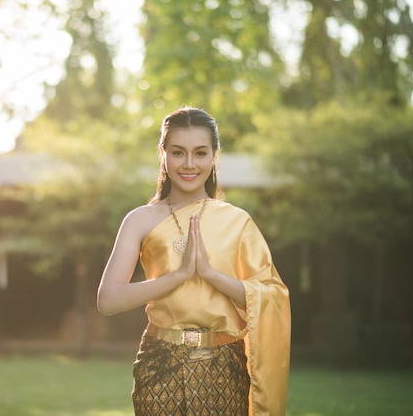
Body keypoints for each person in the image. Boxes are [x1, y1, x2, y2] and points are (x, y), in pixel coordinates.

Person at [97, 106, 291, 415]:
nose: (189, 164)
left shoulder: (237, 221)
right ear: (163, 154)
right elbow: (108, 300)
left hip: (225, 368)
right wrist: (177, 276)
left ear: (215, 155)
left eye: (200, 153)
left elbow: (272, 296)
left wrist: (211, 275)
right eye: (178, 152)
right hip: (159, 366)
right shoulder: (140, 220)